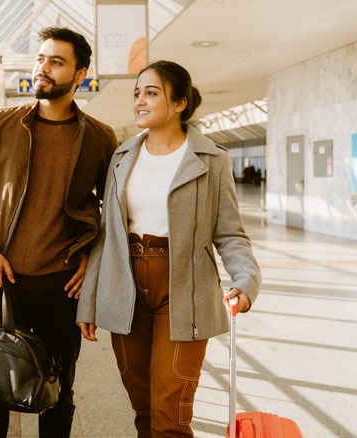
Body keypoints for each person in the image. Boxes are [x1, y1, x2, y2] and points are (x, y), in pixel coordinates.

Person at [76, 60, 261, 437]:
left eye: (151, 92)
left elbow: (229, 232)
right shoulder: (122, 158)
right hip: (124, 286)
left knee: (169, 412)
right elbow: (108, 233)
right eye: (137, 93)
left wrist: (246, 279)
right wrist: (89, 300)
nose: (139, 101)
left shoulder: (212, 160)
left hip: (184, 290)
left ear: (179, 103)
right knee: (143, 407)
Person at [0, 26, 118, 438]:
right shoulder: (0, 124)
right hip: (2, 283)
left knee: (59, 393)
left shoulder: (99, 138)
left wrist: (91, 260)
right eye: (41, 58)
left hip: (62, 289)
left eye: (56, 62)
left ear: (80, 74)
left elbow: (114, 211)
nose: (42, 68)